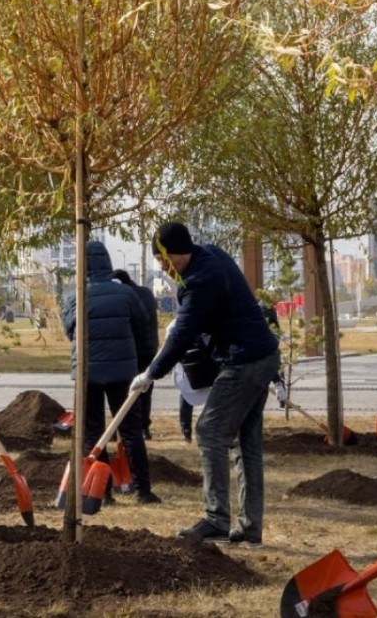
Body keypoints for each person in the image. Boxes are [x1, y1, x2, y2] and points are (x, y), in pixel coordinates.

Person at [130, 222, 280, 546]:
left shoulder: (200, 280)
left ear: (173, 254)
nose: (163, 268)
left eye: (162, 260)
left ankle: (216, 519)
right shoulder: (212, 256)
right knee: (246, 443)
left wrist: (151, 373)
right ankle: (250, 528)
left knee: (209, 431)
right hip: (262, 356)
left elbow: (185, 333)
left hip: (245, 362)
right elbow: (202, 319)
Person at [62, 241, 160, 504]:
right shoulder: (126, 294)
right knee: (131, 430)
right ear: (108, 263)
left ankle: (102, 493)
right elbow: (142, 328)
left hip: (87, 374)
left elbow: (70, 331)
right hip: (123, 372)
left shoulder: (74, 296)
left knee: (93, 432)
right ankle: (143, 490)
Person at [114, 269, 159, 440]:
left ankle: (130, 427)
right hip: (150, 349)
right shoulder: (146, 293)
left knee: (130, 389)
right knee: (145, 390)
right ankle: (144, 428)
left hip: (133, 350)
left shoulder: (126, 296)